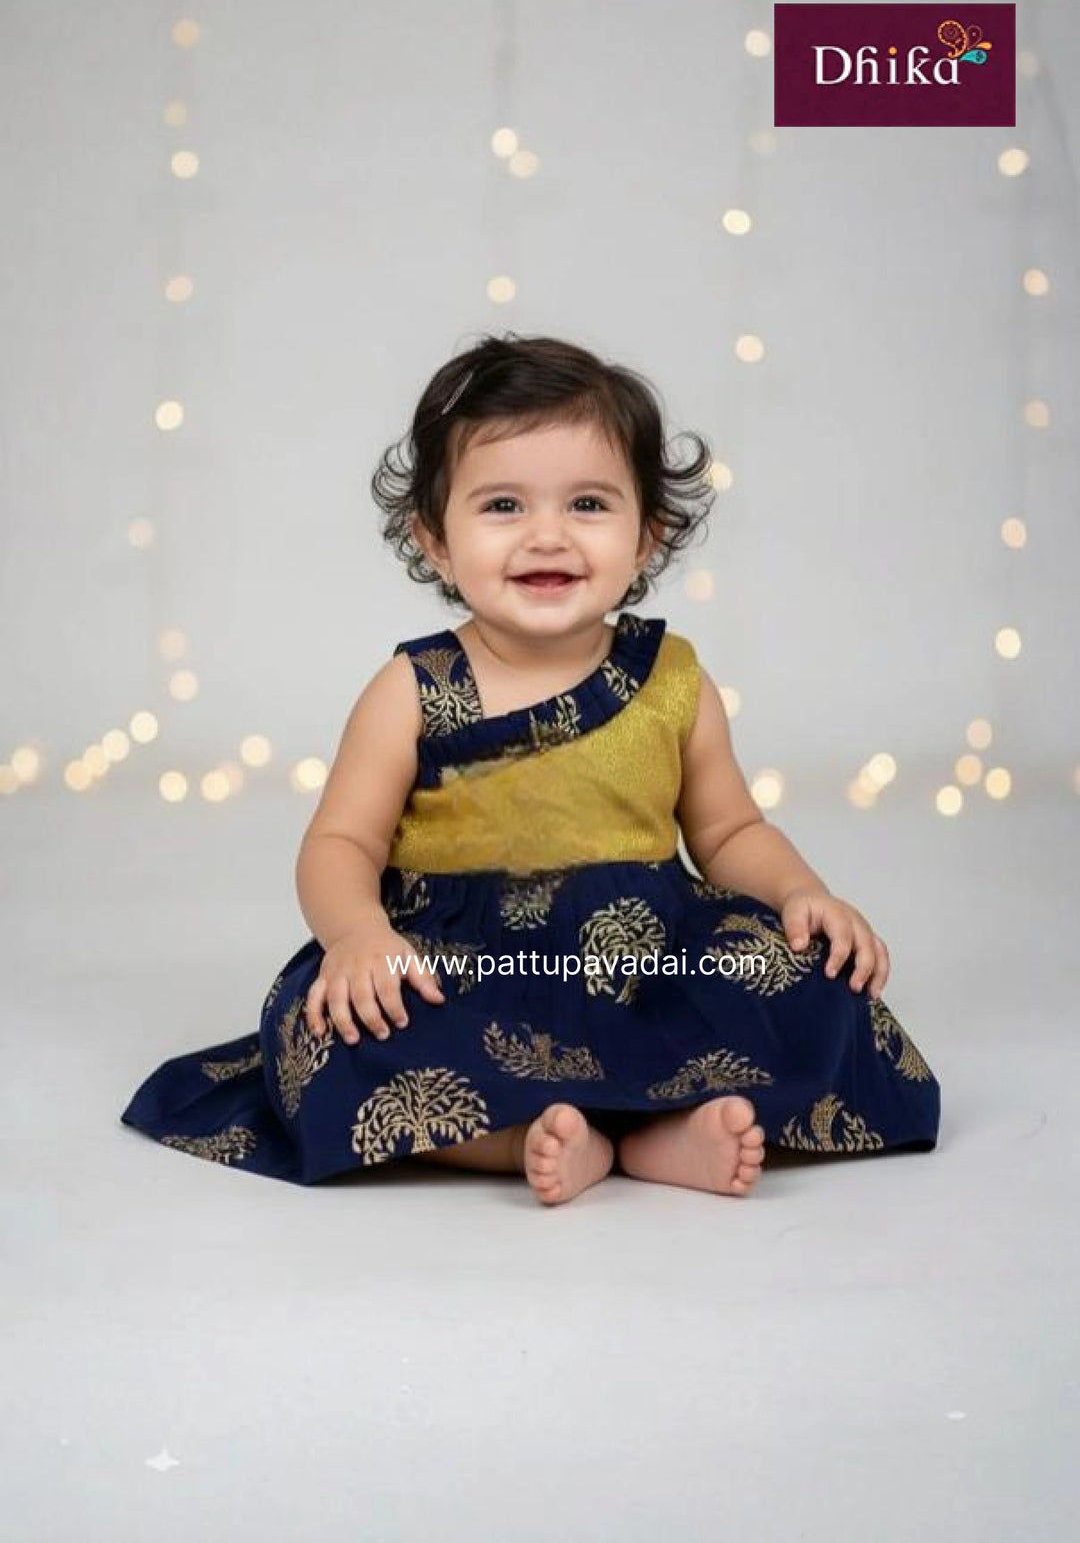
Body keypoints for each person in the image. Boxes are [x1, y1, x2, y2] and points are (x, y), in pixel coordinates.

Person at [121, 331, 941, 1203]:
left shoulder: (673, 683)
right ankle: (526, 1140)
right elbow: (339, 843)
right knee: (325, 1032)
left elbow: (731, 829)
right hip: (465, 970)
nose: (547, 536)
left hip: (648, 966)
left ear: (647, 536)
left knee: (812, 984)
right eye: (503, 505)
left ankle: (661, 1135)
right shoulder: (414, 691)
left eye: (588, 504)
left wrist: (803, 892)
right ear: (435, 540)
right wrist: (359, 936)